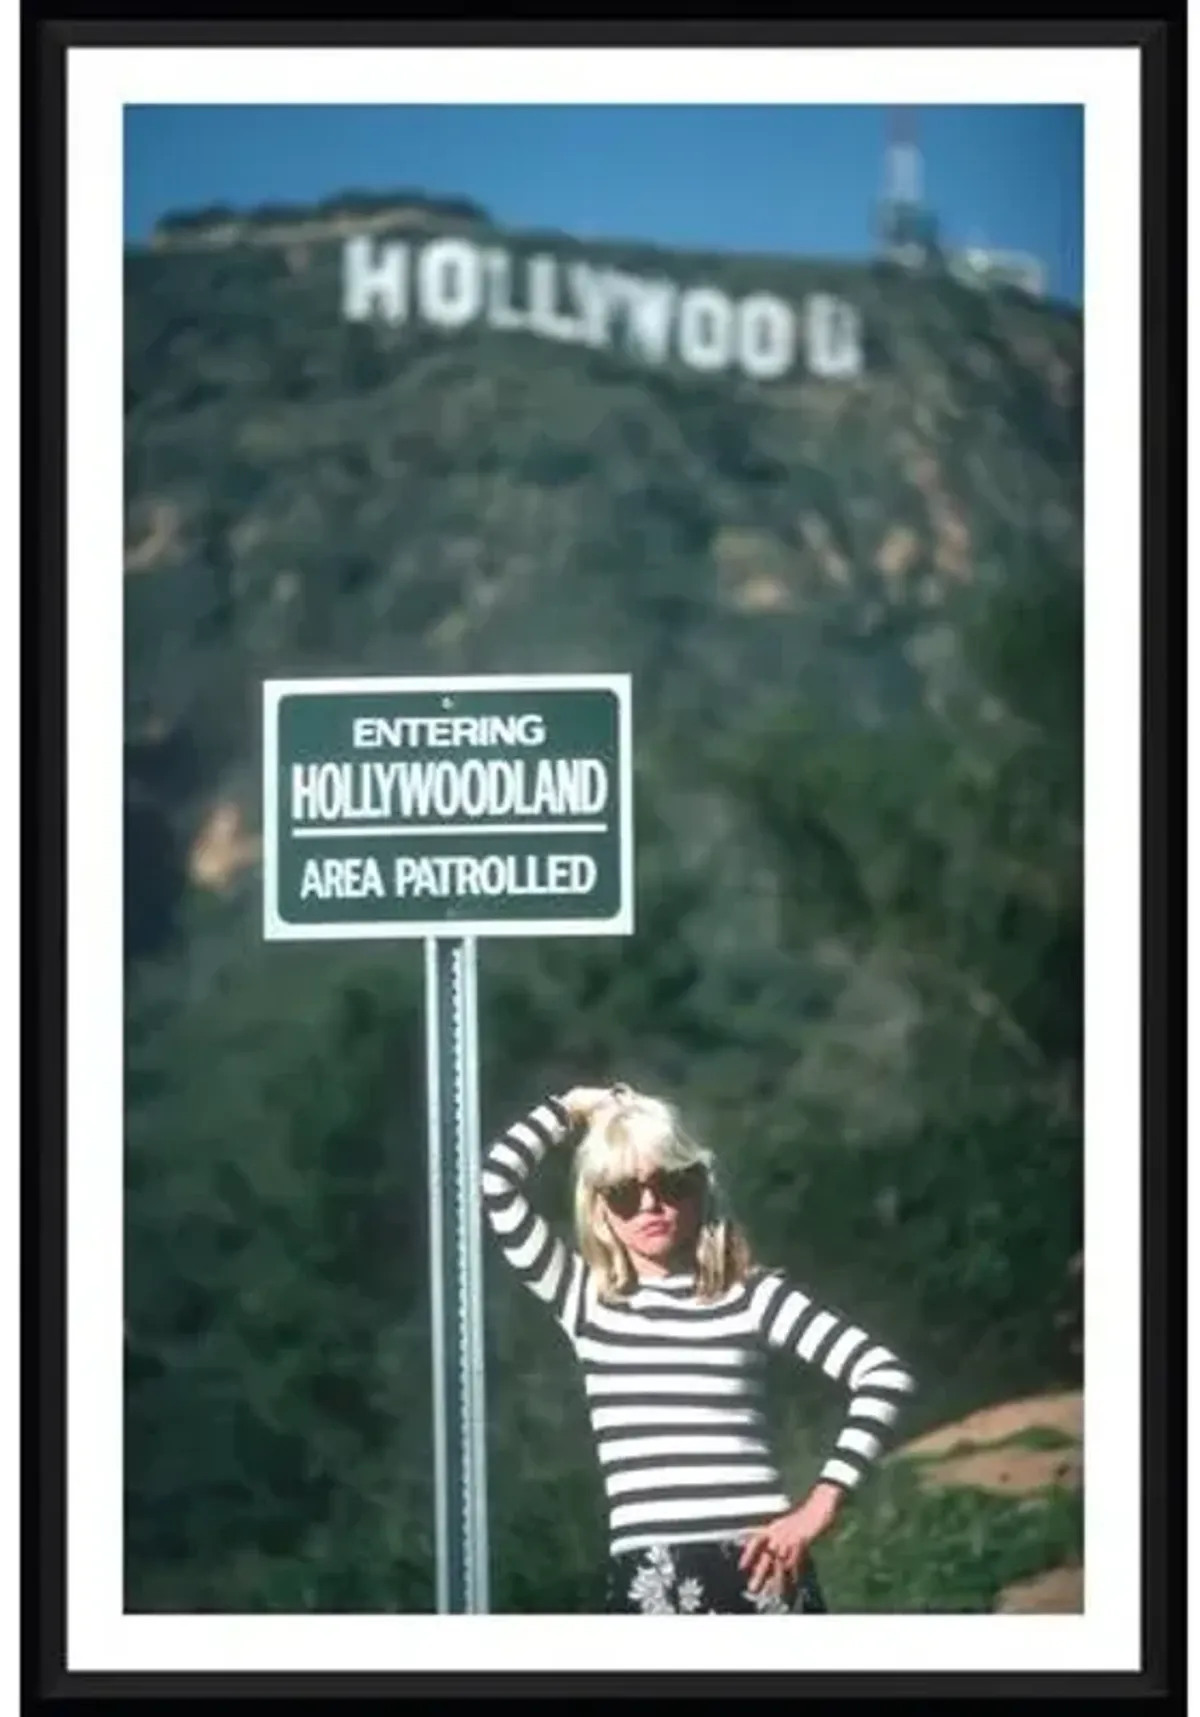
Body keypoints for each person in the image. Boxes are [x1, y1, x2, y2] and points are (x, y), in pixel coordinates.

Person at [481, 1081, 919, 1615]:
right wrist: (574, 1106)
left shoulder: (752, 1295)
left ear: (700, 1187)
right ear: (599, 1210)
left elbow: (882, 1375)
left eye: (672, 1183)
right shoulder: (583, 1300)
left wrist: (820, 1504)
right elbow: (496, 1183)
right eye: (624, 1191)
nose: (651, 1204)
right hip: (650, 1577)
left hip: (764, 1568)